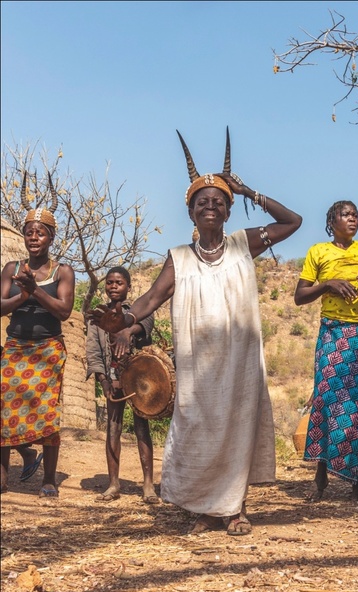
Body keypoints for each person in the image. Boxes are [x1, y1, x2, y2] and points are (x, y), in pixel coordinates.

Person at [89, 129, 301, 535]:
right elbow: (150, 298)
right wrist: (124, 321)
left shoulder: (243, 244)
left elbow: (293, 221)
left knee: (237, 425)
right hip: (197, 364)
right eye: (202, 202)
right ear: (190, 212)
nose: (210, 206)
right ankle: (206, 508)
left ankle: (236, 508)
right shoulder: (179, 258)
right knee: (199, 425)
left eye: (219, 202)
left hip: (239, 360)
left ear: (228, 211)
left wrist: (248, 190)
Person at [294, 200, 358, 501]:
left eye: (356, 214)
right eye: (346, 214)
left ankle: (357, 480)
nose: (353, 219)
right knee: (327, 401)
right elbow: (300, 296)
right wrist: (327, 284)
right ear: (332, 220)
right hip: (334, 334)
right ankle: (321, 478)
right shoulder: (318, 252)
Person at [1, 198, 74, 498]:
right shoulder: (11, 268)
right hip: (15, 347)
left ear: (51, 238)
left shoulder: (63, 272)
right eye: (29, 232)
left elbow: (64, 310)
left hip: (48, 350)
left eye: (40, 232)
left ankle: (49, 480)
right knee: (5, 409)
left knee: (46, 413)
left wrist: (34, 291)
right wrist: (22, 296)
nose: (34, 237)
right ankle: (3, 476)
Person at [85, 265, 158, 503]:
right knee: (113, 428)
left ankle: (148, 485)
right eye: (109, 282)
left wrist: (128, 331)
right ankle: (113, 483)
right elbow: (94, 351)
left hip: (139, 381)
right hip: (113, 378)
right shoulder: (98, 315)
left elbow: (145, 326)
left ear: (128, 286)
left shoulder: (138, 310)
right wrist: (103, 380)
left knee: (141, 427)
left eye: (119, 283)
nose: (113, 286)